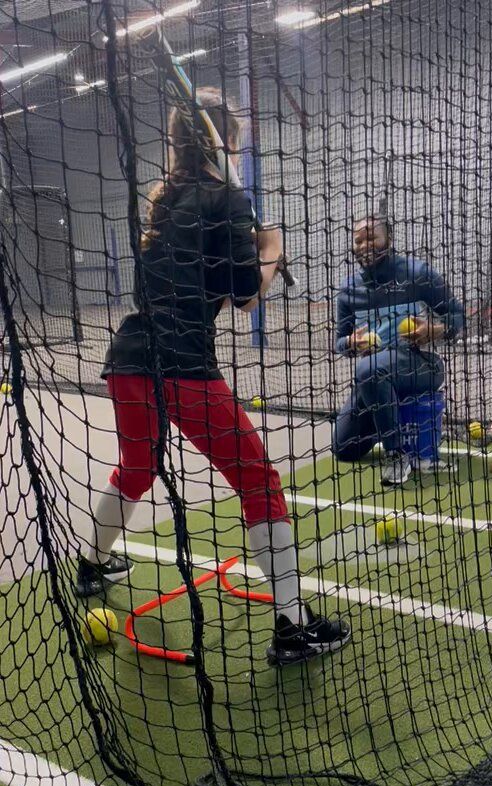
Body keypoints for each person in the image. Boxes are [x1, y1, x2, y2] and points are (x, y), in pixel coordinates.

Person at [77, 89, 351, 667]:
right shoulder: (224, 199)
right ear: (223, 139)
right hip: (182, 365)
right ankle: (292, 626)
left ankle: (92, 565)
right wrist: (271, 249)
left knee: (136, 466)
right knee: (259, 482)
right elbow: (247, 296)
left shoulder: (168, 198)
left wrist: (244, 237)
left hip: (129, 358)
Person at [333, 216, 464, 485]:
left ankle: (396, 454)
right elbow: (339, 343)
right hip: (374, 374)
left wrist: (435, 330)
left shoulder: (417, 274)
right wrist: (350, 343)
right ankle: (389, 410)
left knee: (368, 369)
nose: (364, 245)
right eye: (358, 241)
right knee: (344, 449)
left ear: (389, 240)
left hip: (421, 365)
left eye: (371, 238)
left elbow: (457, 316)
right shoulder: (348, 290)